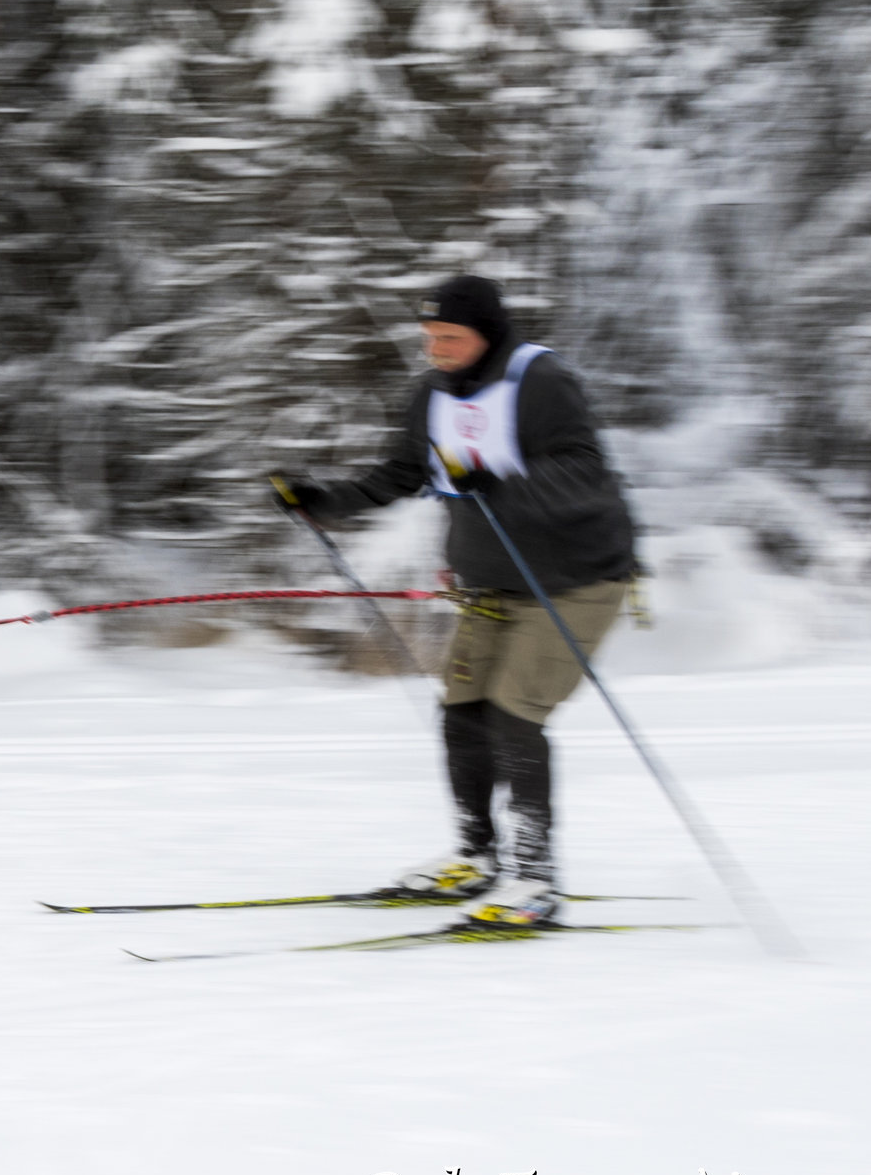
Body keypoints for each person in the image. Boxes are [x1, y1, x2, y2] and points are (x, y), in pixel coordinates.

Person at [270, 274, 639, 927]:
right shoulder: (432, 394)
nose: (436, 349)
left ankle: (535, 881)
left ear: (487, 334)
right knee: (463, 712)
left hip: (574, 582)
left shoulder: (539, 381)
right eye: (429, 337)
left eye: (450, 337)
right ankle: (475, 857)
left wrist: (498, 479)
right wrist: (323, 501)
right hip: (490, 584)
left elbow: (586, 469)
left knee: (515, 714)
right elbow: (404, 474)